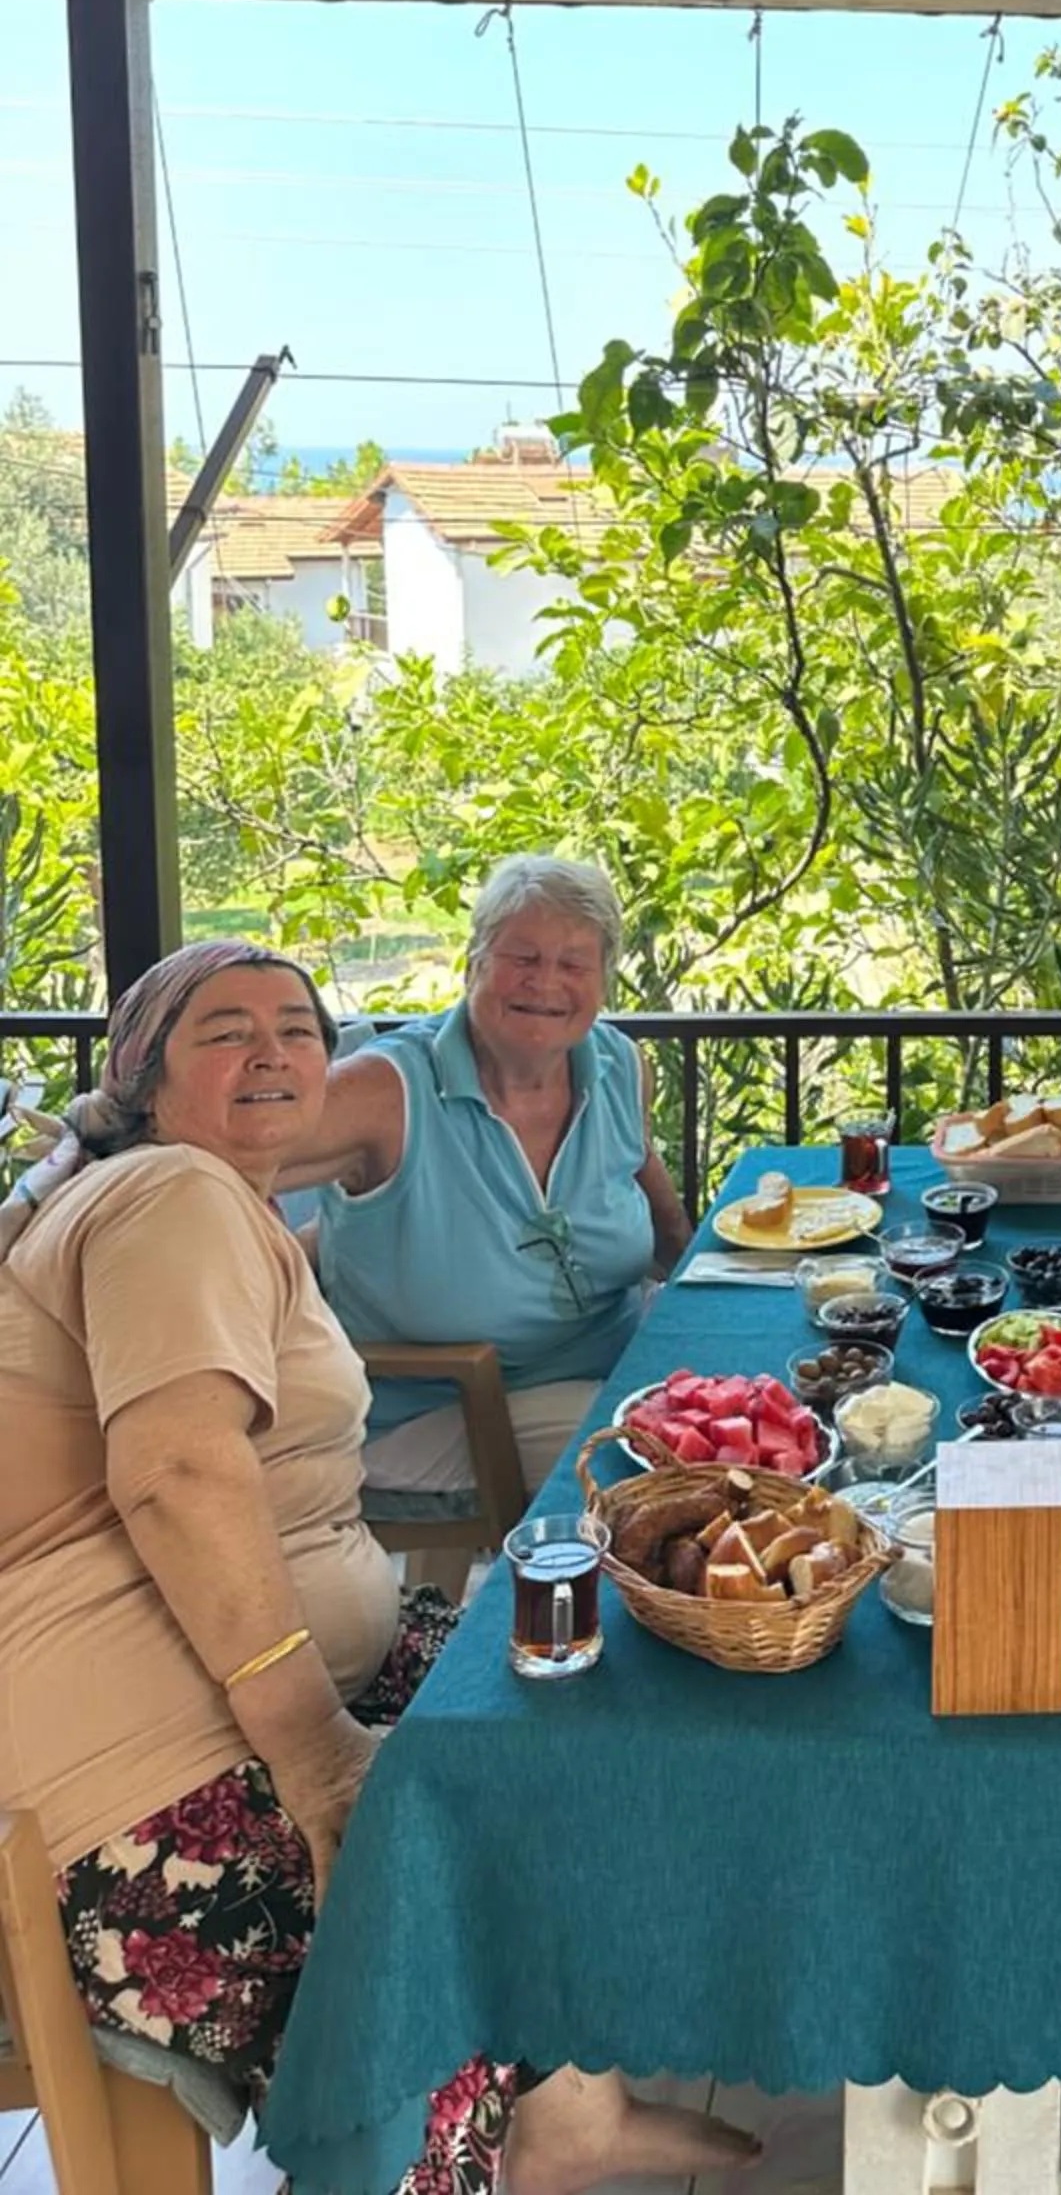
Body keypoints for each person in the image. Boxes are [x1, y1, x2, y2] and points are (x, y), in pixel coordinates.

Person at [0, 940, 762, 2194]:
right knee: (428, 1876)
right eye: (226, 1031)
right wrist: (316, 1754)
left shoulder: (204, 1199)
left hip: (251, 1681)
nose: (274, 1053)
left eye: (298, 1028)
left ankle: (571, 2117)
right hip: (134, 1778)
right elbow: (177, 1471)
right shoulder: (164, 1197)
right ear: (144, 1075)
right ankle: (439, 2161)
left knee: (571, 1681)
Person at [280, 854, 689, 1502]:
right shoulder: (391, 1090)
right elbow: (233, 1154)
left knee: (769, 1406)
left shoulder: (617, 1065)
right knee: (678, 1471)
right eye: (521, 956)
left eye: (574, 963)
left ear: (603, 981)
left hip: (614, 1370)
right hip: (443, 1410)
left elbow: (668, 1228)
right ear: (473, 961)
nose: (545, 982)